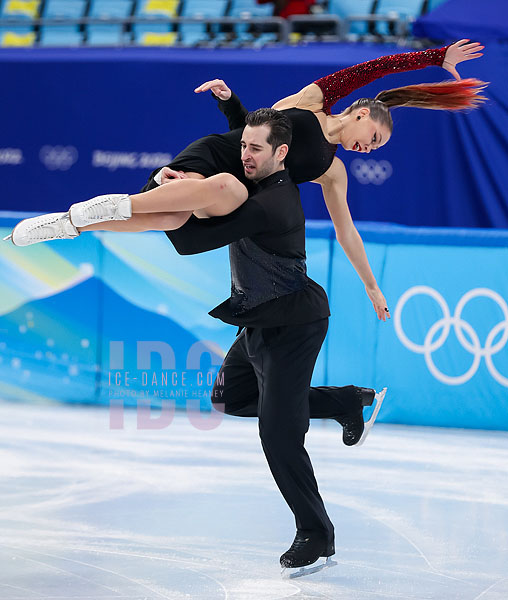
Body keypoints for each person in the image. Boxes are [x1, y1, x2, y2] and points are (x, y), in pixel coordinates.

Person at [5, 42, 485, 324]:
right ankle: (82, 217)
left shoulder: (331, 171)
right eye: (373, 136)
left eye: (378, 148)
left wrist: (371, 285)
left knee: (186, 212)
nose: (370, 147)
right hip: (217, 156)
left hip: (228, 192)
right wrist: (436, 56)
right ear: (360, 113)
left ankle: (79, 222)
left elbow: (347, 232)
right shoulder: (313, 100)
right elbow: (371, 69)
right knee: (182, 206)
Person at [167, 106, 367, 574]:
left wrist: (165, 202)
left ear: (281, 154)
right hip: (259, 317)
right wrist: (229, 106)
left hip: (293, 325)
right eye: (242, 148)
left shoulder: (270, 201)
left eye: (255, 149)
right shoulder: (256, 179)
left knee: (278, 434)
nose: (245, 155)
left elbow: (189, 242)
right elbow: (249, 130)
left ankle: (317, 533)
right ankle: (344, 401)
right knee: (230, 397)